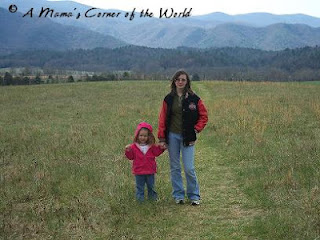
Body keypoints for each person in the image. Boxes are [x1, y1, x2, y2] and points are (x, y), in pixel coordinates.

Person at [158, 70, 208, 205]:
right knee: (174, 167)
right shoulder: (168, 99)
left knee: (189, 168)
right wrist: (162, 138)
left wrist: (196, 129)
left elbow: (204, 116)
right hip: (172, 136)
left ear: (187, 82)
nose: (180, 82)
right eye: (178, 79)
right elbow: (162, 118)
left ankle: (194, 196)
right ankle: (178, 195)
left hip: (188, 137)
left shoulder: (194, 99)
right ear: (174, 81)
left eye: (183, 80)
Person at [125, 122, 165, 202]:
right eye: (141, 135)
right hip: (139, 172)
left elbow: (157, 153)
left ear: (149, 136)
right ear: (137, 135)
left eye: (145, 136)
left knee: (151, 187)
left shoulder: (152, 146)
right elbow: (131, 157)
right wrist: (128, 151)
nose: (143, 137)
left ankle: (152, 200)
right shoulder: (133, 146)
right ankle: (140, 202)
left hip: (150, 171)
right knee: (140, 188)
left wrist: (162, 148)